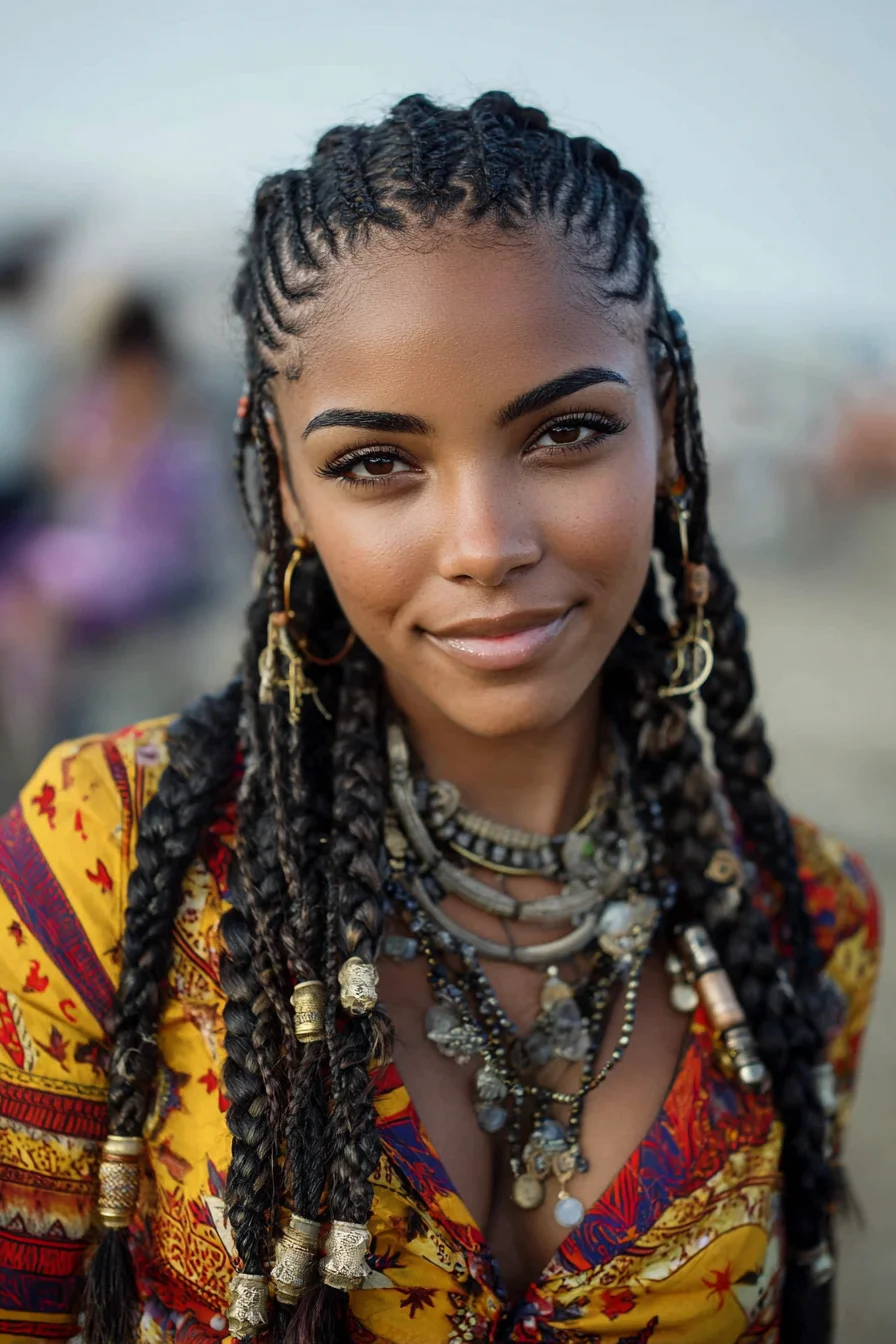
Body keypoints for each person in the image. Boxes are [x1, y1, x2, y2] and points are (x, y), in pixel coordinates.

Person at [0, 94, 880, 1344]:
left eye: (565, 433)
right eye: (375, 463)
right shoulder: (102, 854)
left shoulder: (807, 914)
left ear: (671, 430)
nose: (484, 546)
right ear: (289, 492)